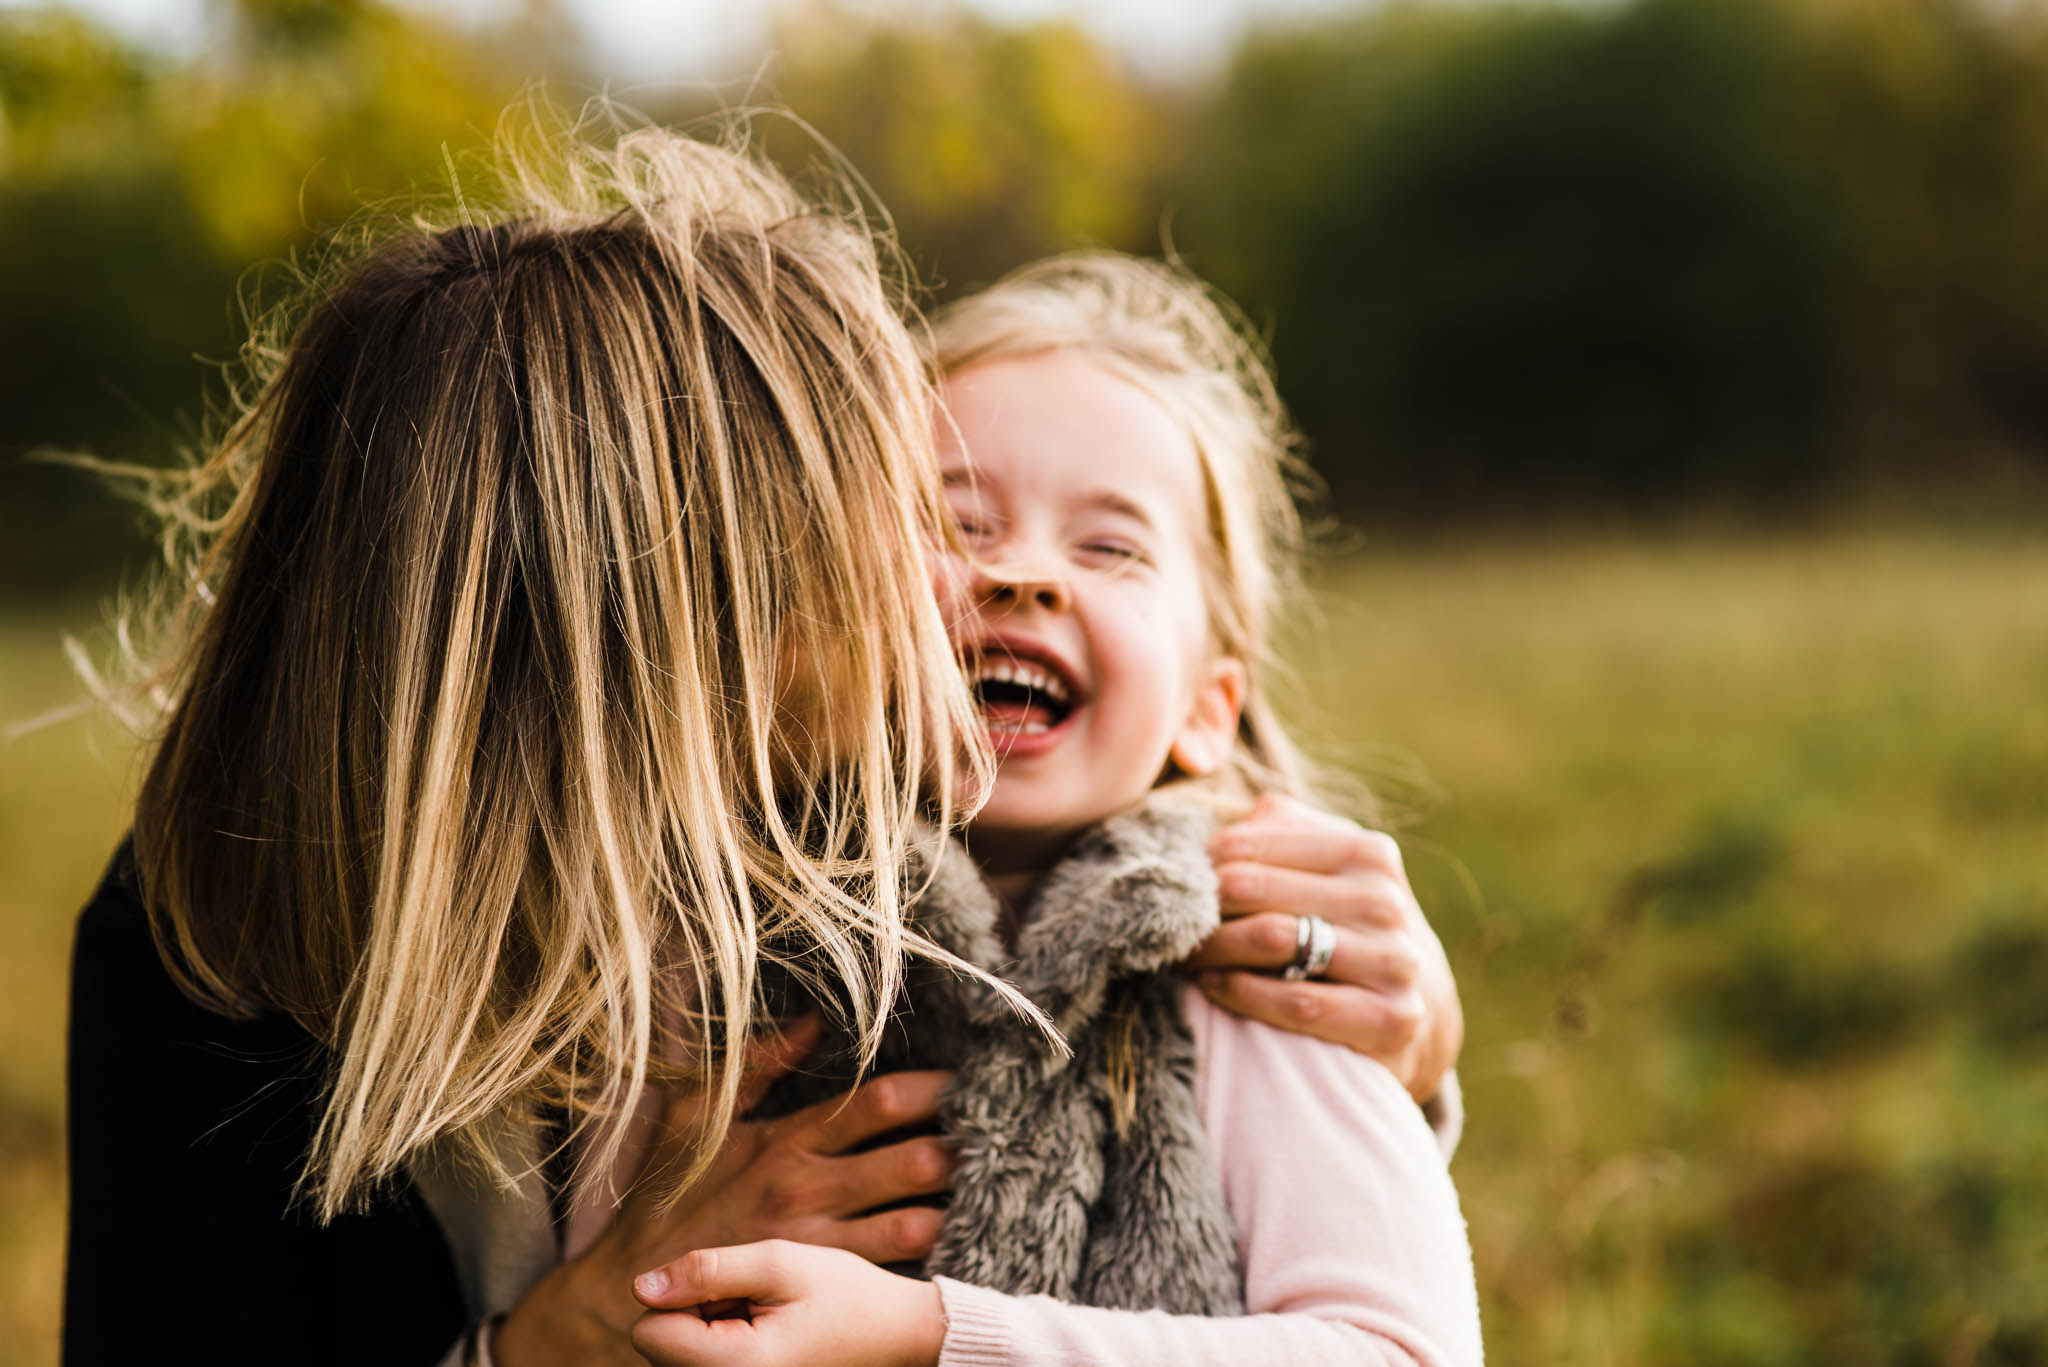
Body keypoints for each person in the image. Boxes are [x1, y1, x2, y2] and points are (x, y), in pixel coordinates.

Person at [63, 121, 1462, 1367]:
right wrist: (553, 1344)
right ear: (650, 641)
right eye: (915, 525)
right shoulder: (218, 931)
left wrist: (1390, 1063)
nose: (957, 589)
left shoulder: (839, 865)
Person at [626, 254, 1482, 1366]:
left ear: (1207, 709)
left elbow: (1402, 1351)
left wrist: (936, 1337)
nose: (1024, 574)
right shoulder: (719, 955)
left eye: (1110, 547)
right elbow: (598, 1292)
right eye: (959, 523)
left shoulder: (1249, 972)